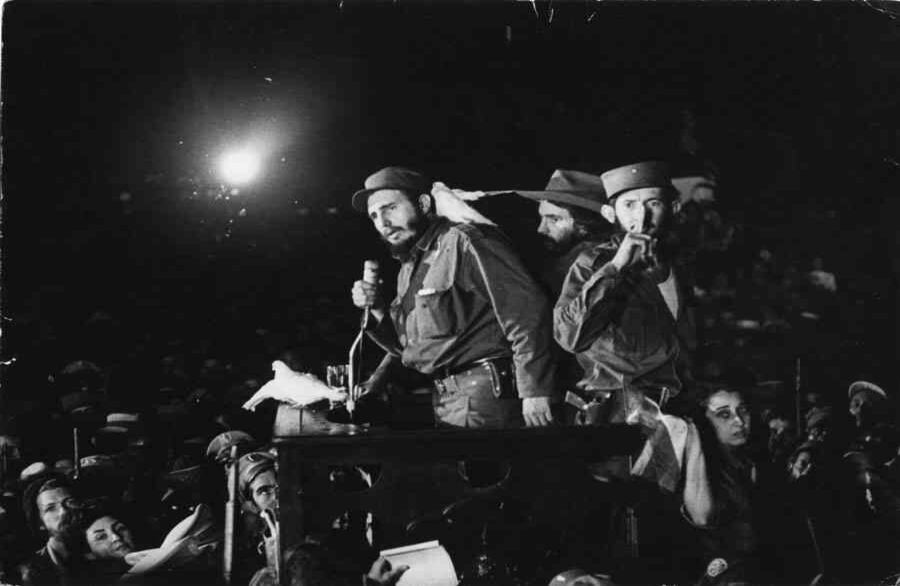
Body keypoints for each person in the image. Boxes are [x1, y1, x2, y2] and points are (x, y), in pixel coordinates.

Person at [351, 166, 557, 428]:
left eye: (390, 208)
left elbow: (527, 311)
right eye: (374, 215)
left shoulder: (464, 241)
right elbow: (410, 348)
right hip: (449, 398)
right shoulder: (411, 265)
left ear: (424, 203)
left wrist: (535, 389)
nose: (383, 222)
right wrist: (378, 308)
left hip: (486, 394)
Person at [554, 160, 697, 418]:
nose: (641, 217)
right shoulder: (594, 262)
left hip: (672, 409)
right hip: (615, 412)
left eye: (653, 203)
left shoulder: (680, 264)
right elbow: (569, 336)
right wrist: (616, 266)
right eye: (629, 205)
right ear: (611, 214)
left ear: (674, 208)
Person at [18, 474, 86, 585]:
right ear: (40, 523)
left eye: (70, 502)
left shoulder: (102, 555)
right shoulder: (30, 572)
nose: (64, 512)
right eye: (50, 508)